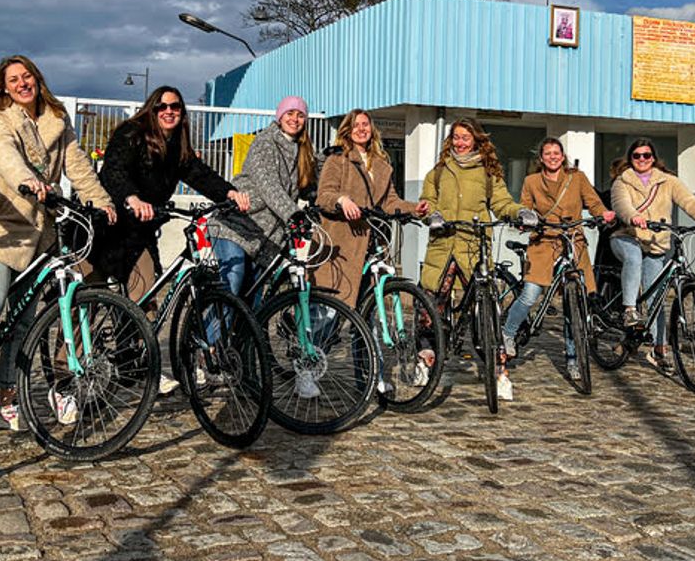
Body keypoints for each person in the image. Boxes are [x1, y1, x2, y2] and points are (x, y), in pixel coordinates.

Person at [0, 55, 115, 431]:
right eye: (14, 80)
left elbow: (78, 165)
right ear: (4, 87)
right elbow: (4, 155)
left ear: (37, 79)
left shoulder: (58, 119)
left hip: (39, 234)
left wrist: (101, 200)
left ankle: (7, 399)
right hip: (1, 230)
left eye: (27, 76)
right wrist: (27, 181)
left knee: (23, 323)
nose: (22, 84)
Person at [96, 85, 250, 392]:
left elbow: (199, 174)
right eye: (162, 107)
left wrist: (229, 193)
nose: (169, 111)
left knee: (145, 297)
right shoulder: (131, 134)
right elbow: (114, 171)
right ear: (152, 110)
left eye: (175, 107)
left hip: (141, 232)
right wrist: (131, 198)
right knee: (87, 300)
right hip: (108, 227)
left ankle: (140, 365)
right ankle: (66, 379)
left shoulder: (177, 146)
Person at [418, 117, 525, 402]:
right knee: (431, 306)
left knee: (485, 314)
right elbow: (428, 201)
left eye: (466, 137)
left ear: (476, 140)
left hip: (474, 248)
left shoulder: (489, 173)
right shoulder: (438, 172)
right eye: (456, 137)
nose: (460, 143)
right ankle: (425, 359)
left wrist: (518, 212)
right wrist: (433, 215)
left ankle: (499, 371)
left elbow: (501, 203)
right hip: (443, 246)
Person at [502, 137, 615, 382]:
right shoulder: (532, 181)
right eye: (548, 153)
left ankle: (573, 358)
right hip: (543, 242)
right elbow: (525, 206)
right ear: (541, 158)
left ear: (563, 157)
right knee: (530, 294)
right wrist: (525, 220)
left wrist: (603, 214)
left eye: (556, 153)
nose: (552, 157)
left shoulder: (577, 178)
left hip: (573, 242)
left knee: (575, 303)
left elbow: (593, 201)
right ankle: (508, 333)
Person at [609, 137, 695, 373]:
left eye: (646, 155)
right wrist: (633, 217)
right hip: (627, 236)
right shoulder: (623, 181)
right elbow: (621, 205)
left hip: (656, 243)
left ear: (653, 158)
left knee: (656, 298)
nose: (642, 159)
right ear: (631, 158)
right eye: (637, 155)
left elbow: (690, 202)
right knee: (633, 258)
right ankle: (629, 309)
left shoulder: (668, 181)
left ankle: (659, 349)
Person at [315, 109, 430, 307]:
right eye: (356, 125)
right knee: (332, 308)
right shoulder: (338, 159)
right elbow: (324, 196)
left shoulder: (381, 163)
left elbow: (389, 202)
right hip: (342, 245)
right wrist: (342, 200)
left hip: (372, 245)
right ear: (347, 130)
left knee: (368, 305)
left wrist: (414, 208)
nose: (361, 129)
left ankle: (366, 328)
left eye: (365, 124)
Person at [212, 95, 317, 302]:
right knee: (233, 286)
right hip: (237, 226)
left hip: (266, 238)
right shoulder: (265, 142)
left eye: (300, 115)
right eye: (290, 113)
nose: (295, 119)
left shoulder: (302, 150)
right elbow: (269, 186)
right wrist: (294, 214)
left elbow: (308, 188)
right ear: (280, 117)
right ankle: (211, 325)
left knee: (253, 303)